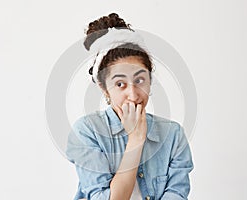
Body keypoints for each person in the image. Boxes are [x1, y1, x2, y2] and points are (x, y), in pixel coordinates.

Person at [66, 13, 193, 200]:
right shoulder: (86, 131)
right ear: (104, 87)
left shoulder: (173, 135)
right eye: (120, 84)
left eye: (140, 80)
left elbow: (177, 194)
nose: (133, 95)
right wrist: (135, 139)